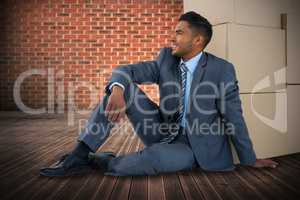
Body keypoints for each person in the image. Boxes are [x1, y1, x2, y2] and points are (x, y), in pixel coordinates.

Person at [40, 11, 279, 177]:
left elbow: (234, 116)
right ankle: (80, 155)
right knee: (122, 86)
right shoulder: (166, 59)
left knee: (144, 162)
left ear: (197, 40)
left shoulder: (222, 70)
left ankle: (102, 161)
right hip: (160, 129)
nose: (172, 38)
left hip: (192, 147)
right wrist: (117, 90)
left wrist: (250, 159)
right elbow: (126, 70)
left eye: (179, 33)